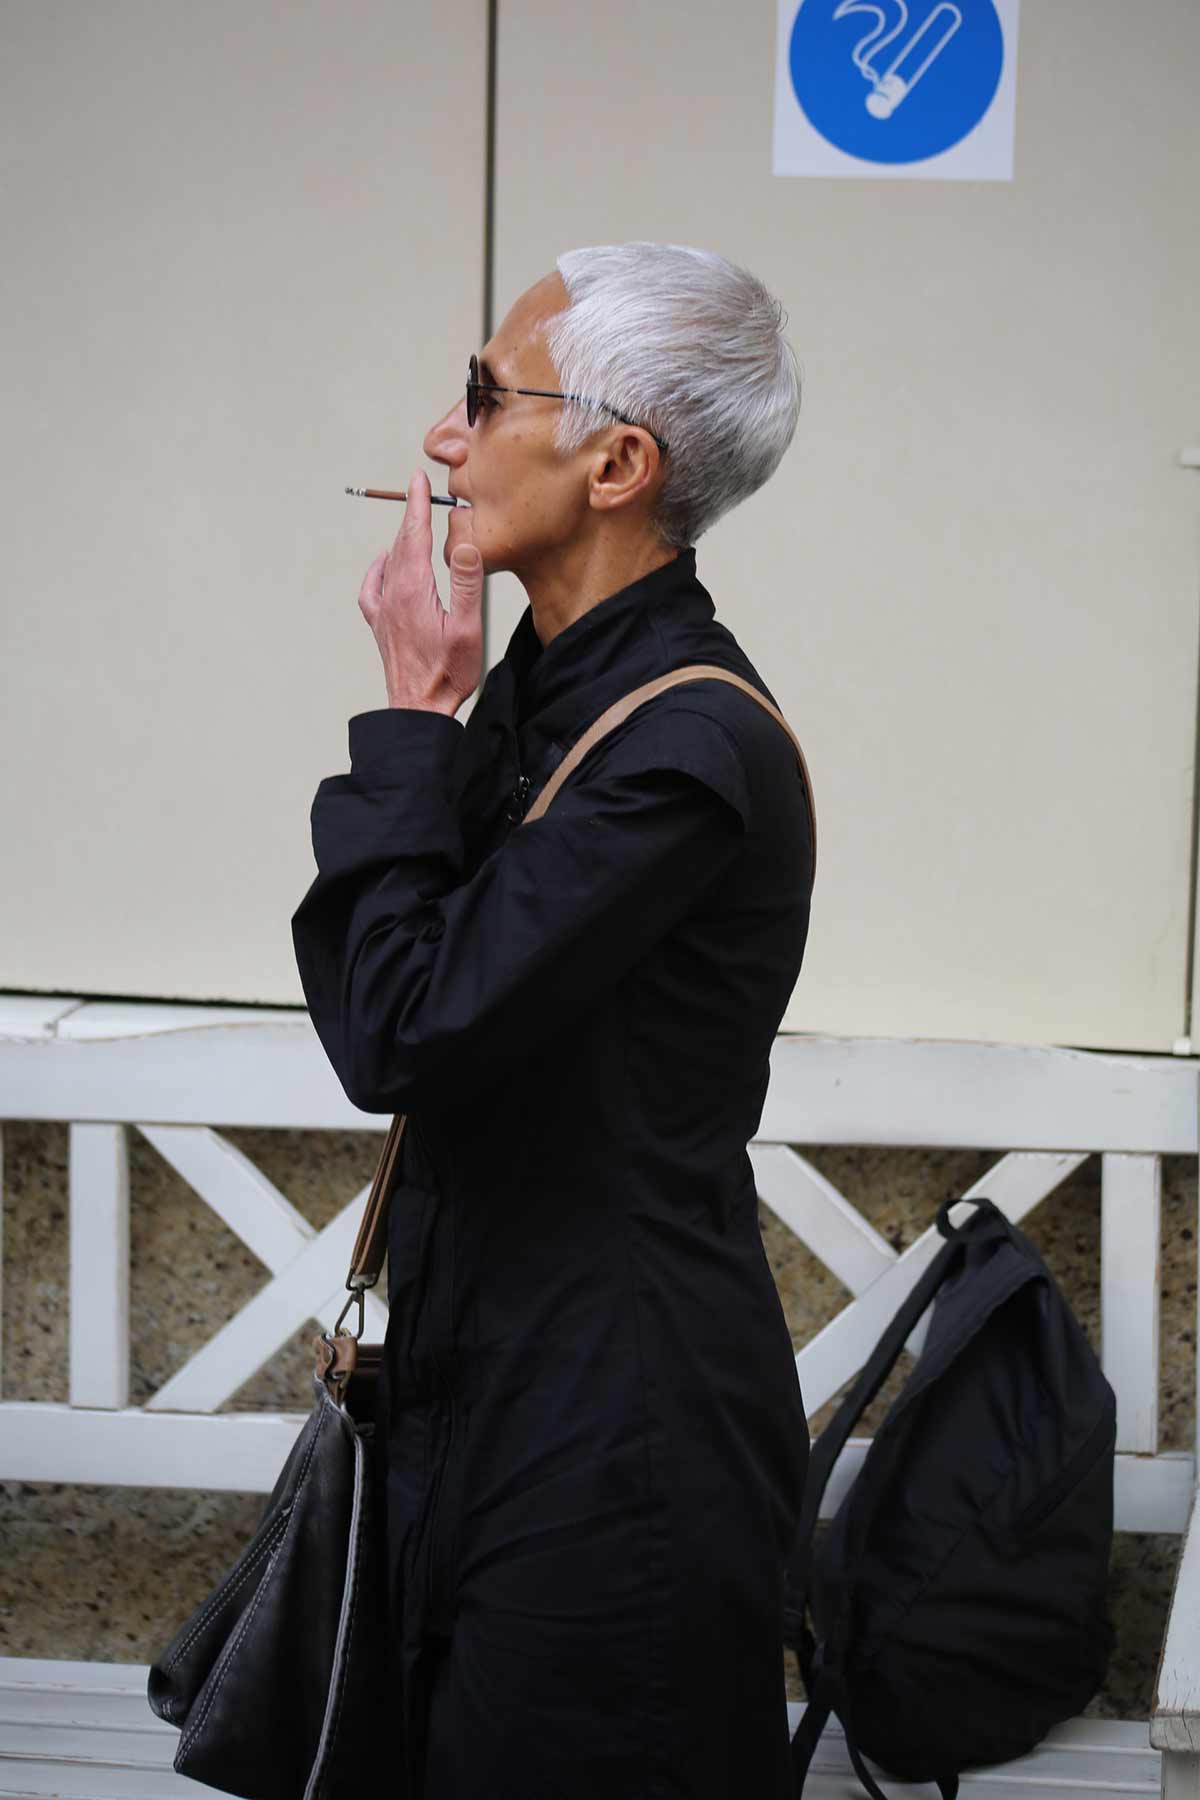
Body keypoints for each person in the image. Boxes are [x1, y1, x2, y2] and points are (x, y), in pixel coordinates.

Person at [291, 241, 815, 1799]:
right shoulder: (543, 701)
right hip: (483, 1405)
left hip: (616, 1458)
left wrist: (409, 716)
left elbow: (403, 1029)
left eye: (482, 396)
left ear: (617, 465)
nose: (443, 439)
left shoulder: (685, 751)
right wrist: (444, 716)